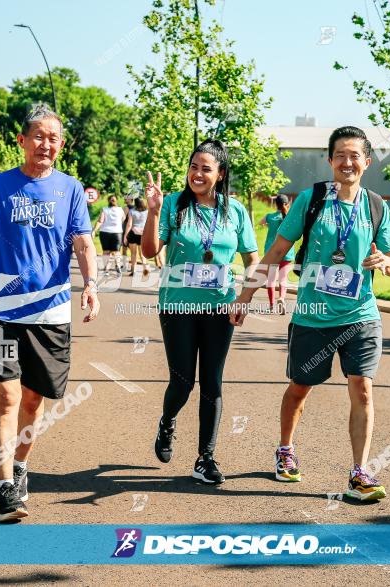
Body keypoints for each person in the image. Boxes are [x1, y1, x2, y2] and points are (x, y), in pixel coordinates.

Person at [231, 126, 390, 502]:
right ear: (330, 160)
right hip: (313, 316)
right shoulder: (311, 200)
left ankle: (359, 473)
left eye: (355, 155)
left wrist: (385, 261)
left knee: (362, 388)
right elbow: (276, 251)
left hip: (360, 314)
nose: (347, 162)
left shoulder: (376, 206)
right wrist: (245, 296)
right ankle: (285, 448)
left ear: (367, 162)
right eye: (340, 155)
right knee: (300, 389)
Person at [0, 103, 100, 522]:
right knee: (6, 396)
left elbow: (84, 243)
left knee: (34, 402)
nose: (45, 144)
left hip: (50, 312)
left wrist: (90, 284)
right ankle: (4, 486)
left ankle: (19, 467)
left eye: (53, 137)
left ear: (60, 146)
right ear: (21, 141)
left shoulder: (70, 189)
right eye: (38, 135)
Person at [142, 139, 259, 485]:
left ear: (220, 174)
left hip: (219, 307)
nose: (197, 174)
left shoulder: (235, 211)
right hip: (178, 306)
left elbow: (253, 259)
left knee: (212, 382)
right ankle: (167, 421)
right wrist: (152, 211)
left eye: (206, 168)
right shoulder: (174, 204)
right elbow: (150, 251)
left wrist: (245, 298)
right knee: (182, 382)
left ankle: (205, 458)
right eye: (193, 167)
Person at [258, 195, 295, 314]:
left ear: (276, 204)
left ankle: (271, 304)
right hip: (287, 252)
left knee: (271, 280)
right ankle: (282, 298)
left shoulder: (270, 216)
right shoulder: (290, 217)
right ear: (287, 204)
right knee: (283, 279)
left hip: (271, 252)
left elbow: (260, 223)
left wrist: (268, 225)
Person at [94, 195, 126, 275]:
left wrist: (94, 230)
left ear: (109, 201)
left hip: (105, 232)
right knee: (117, 251)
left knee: (106, 252)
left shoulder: (104, 210)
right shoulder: (120, 210)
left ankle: (106, 270)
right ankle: (117, 265)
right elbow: (123, 219)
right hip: (117, 233)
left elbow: (100, 221)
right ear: (116, 201)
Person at [123, 197, 149, 277]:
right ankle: (145, 268)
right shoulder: (147, 211)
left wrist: (125, 236)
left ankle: (133, 270)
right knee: (142, 253)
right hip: (143, 234)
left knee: (133, 253)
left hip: (134, 233)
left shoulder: (132, 211)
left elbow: (129, 224)